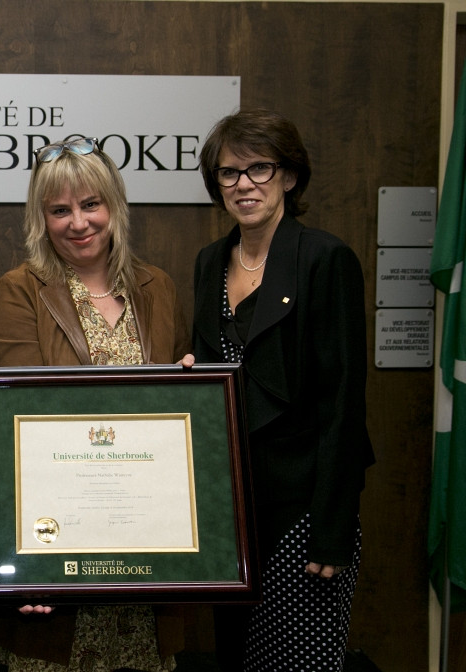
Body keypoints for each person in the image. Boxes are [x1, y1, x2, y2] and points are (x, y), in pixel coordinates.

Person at [0, 136, 190, 672]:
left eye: (91, 204)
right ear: (41, 218)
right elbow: (15, 432)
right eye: (59, 210)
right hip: (58, 549)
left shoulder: (159, 287)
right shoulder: (21, 290)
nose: (78, 222)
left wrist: (193, 397)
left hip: (145, 548)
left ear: (115, 205)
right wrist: (31, 564)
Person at [184, 108, 374, 671]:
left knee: (296, 661)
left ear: (289, 176)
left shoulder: (325, 259)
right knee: (237, 657)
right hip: (232, 510)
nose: (244, 184)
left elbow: (344, 400)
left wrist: (332, 530)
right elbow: (217, 373)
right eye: (228, 173)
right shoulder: (209, 262)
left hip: (304, 511)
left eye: (259, 168)